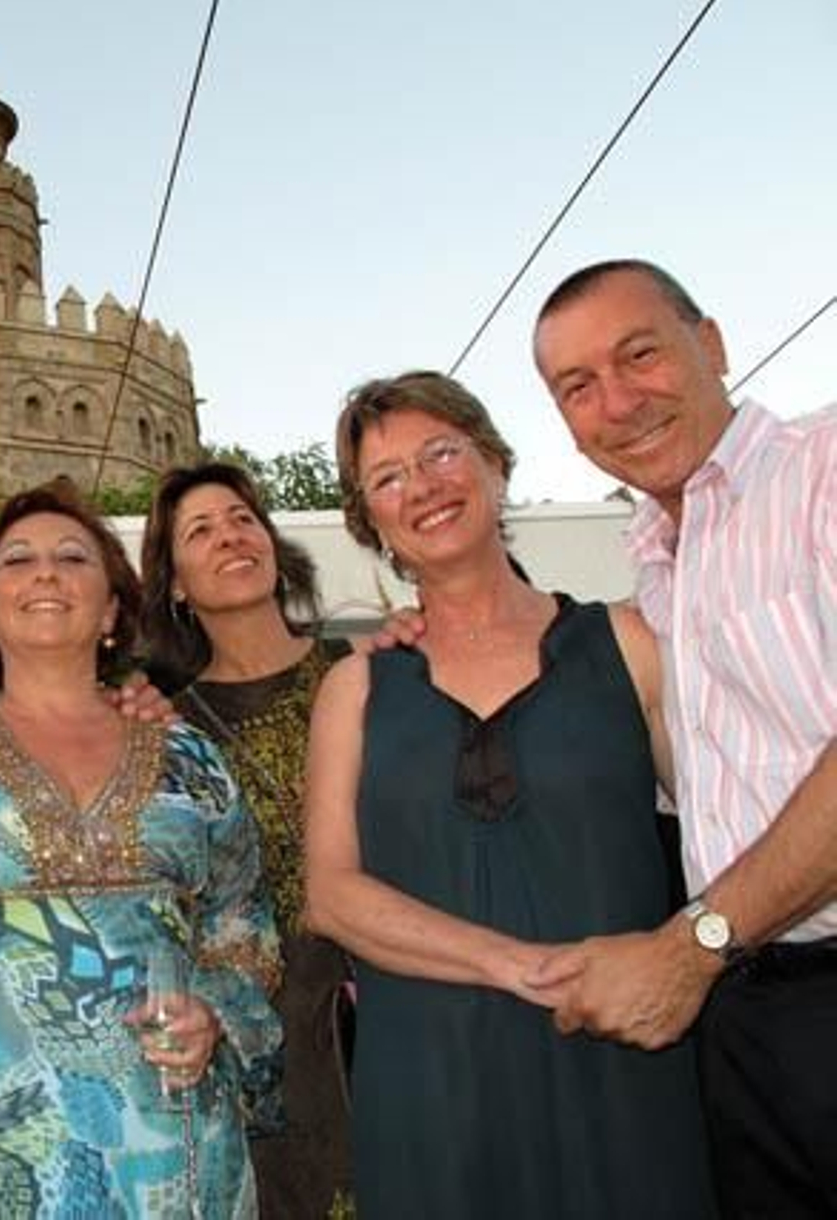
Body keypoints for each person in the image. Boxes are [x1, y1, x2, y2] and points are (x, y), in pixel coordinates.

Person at [305, 371, 716, 1219]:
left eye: (442, 452)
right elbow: (332, 896)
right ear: (369, 521)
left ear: (495, 464)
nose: (421, 487)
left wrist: (687, 951)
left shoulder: (631, 642)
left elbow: (726, 835)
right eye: (387, 478)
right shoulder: (357, 690)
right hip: (430, 1092)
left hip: (622, 1062)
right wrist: (524, 968)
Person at [0, 478, 284, 1217]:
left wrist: (215, 1012)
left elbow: (245, 933)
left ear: (111, 608)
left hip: (181, 1153)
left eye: (73, 557)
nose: (45, 572)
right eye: (18, 561)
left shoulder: (192, 761)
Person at [528, 259, 837, 1216]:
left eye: (641, 355)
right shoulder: (661, 560)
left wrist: (691, 946)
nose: (618, 402)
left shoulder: (822, 471)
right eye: (578, 388)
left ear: (711, 346)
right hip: (760, 1016)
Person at [139, 462, 354, 1220]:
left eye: (242, 518)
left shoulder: (365, 674)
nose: (230, 535)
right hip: (272, 1026)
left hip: (401, 1000)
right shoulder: (164, 727)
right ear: (174, 583)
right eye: (200, 530)